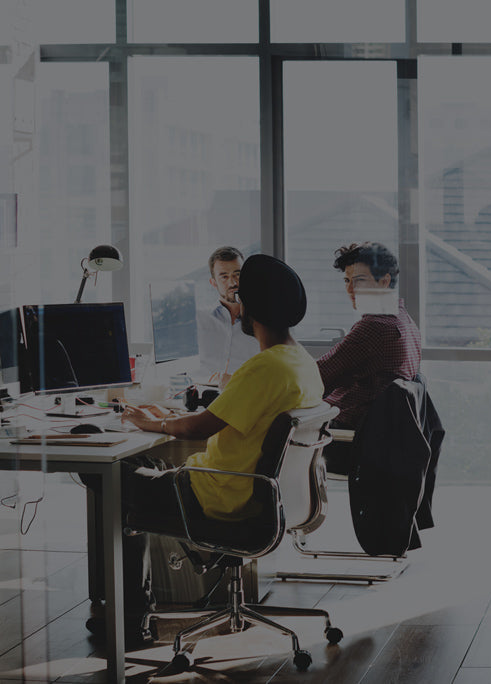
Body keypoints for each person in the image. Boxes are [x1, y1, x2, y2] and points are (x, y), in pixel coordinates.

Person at [86, 254, 323, 644]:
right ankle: (133, 609)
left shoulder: (265, 367)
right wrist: (162, 416)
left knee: (106, 474)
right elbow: (225, 414)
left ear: (250, 308)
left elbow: (200, 425)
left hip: (213, 496)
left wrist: (151, 422)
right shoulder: (300, 362)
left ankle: (130, 618)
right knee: (139, 465)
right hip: (253, 494)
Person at [317, 242, 421, 430]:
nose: (350, 290)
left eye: (359, 280)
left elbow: (318, 376)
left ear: (384, 281)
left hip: (346, 435)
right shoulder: (405, 320)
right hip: (372, 435)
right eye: (347, 281)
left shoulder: (375, 327)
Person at [196, 246, 259, 385]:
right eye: (224, 276)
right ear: (213, 282)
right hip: (203, 394)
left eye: (238, 274)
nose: (233, 283)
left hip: (246, 394)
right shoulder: (198, 321)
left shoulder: (263, 322)